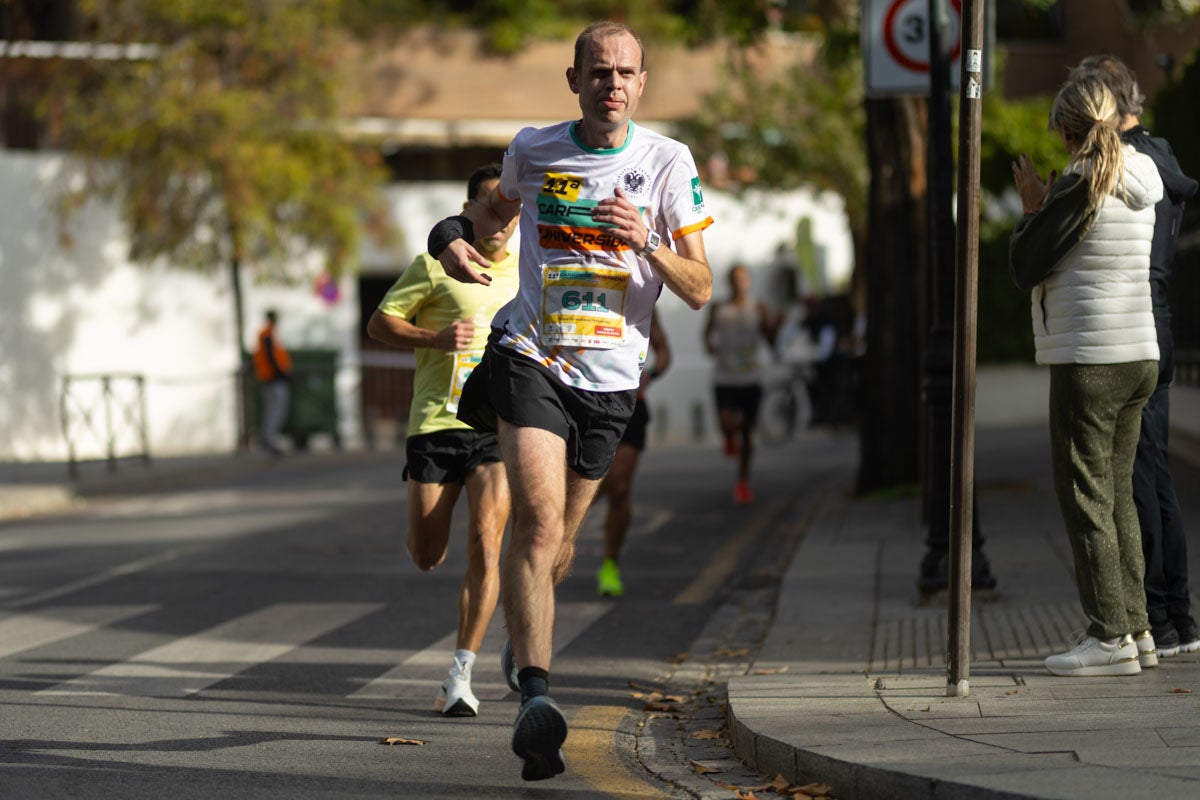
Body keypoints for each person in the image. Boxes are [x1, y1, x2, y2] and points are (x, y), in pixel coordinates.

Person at [426, 21, 713, 781]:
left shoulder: (667, 163)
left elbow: (701, 286)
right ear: (573, 79)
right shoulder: (533, 148)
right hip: (531, 357)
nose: (611, 83)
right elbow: (486, 220)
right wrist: (450, 236)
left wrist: (648, 241)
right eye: (598, 71)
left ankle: (527, 644)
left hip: (613, 382)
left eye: (625, 72)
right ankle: (536, 703)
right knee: (538, 520)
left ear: (641, 83)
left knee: (556, 550)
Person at [1009, 75, 1162, 677]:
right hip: (1137, 353)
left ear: (1069, 130)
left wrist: (1029, 209)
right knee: (1118, 493)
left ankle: (1109, 637)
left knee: (1086, 495)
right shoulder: (1140, 178)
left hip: (1089, 358)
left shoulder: (1081, 182)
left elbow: (1026, 265)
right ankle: (1137, 626)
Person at [366, 163, 519, 717]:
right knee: (428, 553)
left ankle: (462, 672)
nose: (499, 219)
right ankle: (435, 544)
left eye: (508, 207)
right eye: (488, 206)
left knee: (487, 537)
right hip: (435, 422)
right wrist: (434, 336)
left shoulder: (533, 269)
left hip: (496, 427)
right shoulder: (434, 265)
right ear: (469, 211)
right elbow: (380, 324)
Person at [1069, 55, 1199, 660]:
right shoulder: (1164, 161)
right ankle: (1177, 616)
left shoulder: (1120, 163)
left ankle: (1146, 620)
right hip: (1161, 321)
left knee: (1126, 476)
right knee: (1153, 470)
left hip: (1126, 325)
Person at [594, 307, 671, 597]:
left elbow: (664, 353)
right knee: (583, 485)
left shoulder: (643, 297)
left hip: (630, 401)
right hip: (586, 397)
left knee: (620, 485)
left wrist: (650, 374)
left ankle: (610, 564)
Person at [703, 264, 779, 504]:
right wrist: (710, 346)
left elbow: (769, 340)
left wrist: (777, 325)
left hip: (750, 378)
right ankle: (728, 436)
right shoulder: (718, 309)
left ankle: (742, 482)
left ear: (748, 282)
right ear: (729, 282)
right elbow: (706, 334)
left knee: (748, 433)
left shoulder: (758, 308)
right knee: (727, 422)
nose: (739, 282)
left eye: (743, 278)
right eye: (735, 278)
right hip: (724, 377)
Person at [252, 309, 292, 457]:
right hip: (273, 378)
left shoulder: (270, 334)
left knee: (273, 410)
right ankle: (269, 441)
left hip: (272, 378)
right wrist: (280, 372)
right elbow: (270, 356)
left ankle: (269, 440)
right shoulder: (267, 335)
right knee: (274, 411)